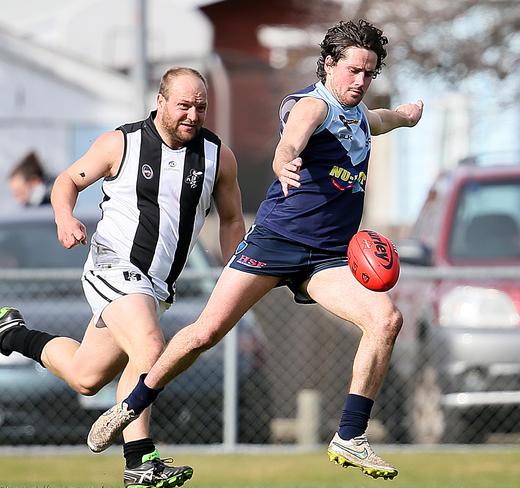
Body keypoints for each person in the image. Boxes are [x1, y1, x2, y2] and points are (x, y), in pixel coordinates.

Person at [88, 19, 423, 480]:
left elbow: (383, 121)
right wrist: (284, 163)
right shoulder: (312, 106)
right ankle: (131, 405)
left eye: (369, 74)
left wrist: (406, 115)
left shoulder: (361, 114)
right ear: (329, 65)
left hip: (327, 258)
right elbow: (289, 143)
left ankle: (350, 436)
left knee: (386, 319)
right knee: (205, 334)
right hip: (275, 243)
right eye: (353, 71)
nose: (361, 82)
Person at [0, 67, 245, 488]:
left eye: (200, 107)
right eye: (183, 105)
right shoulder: (122, 143)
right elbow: (66, 181)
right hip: (113, 264)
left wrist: (235, 272)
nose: (192, 115)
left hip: (157, 285)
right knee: (151, 346)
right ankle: (140, 460)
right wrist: (63, 217)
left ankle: (10, 333)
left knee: (86, 376)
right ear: (161, 101)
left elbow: (232, 220)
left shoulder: (217, 156)